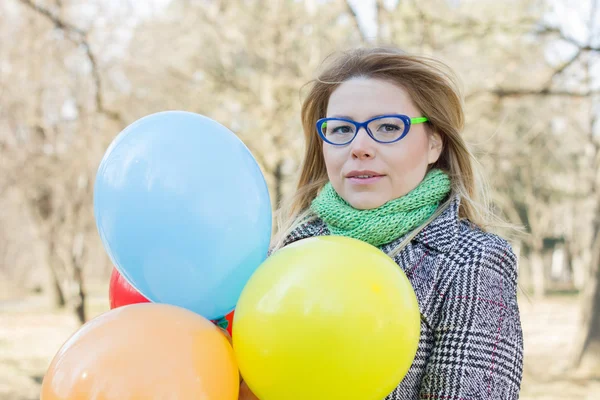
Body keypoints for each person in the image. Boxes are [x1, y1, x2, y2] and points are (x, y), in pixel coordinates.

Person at [236, 46, 523, 399]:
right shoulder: (281, 255)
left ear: (434, 142)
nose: (360, 146)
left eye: (388, 127)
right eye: (341, 129)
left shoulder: (472, 261)